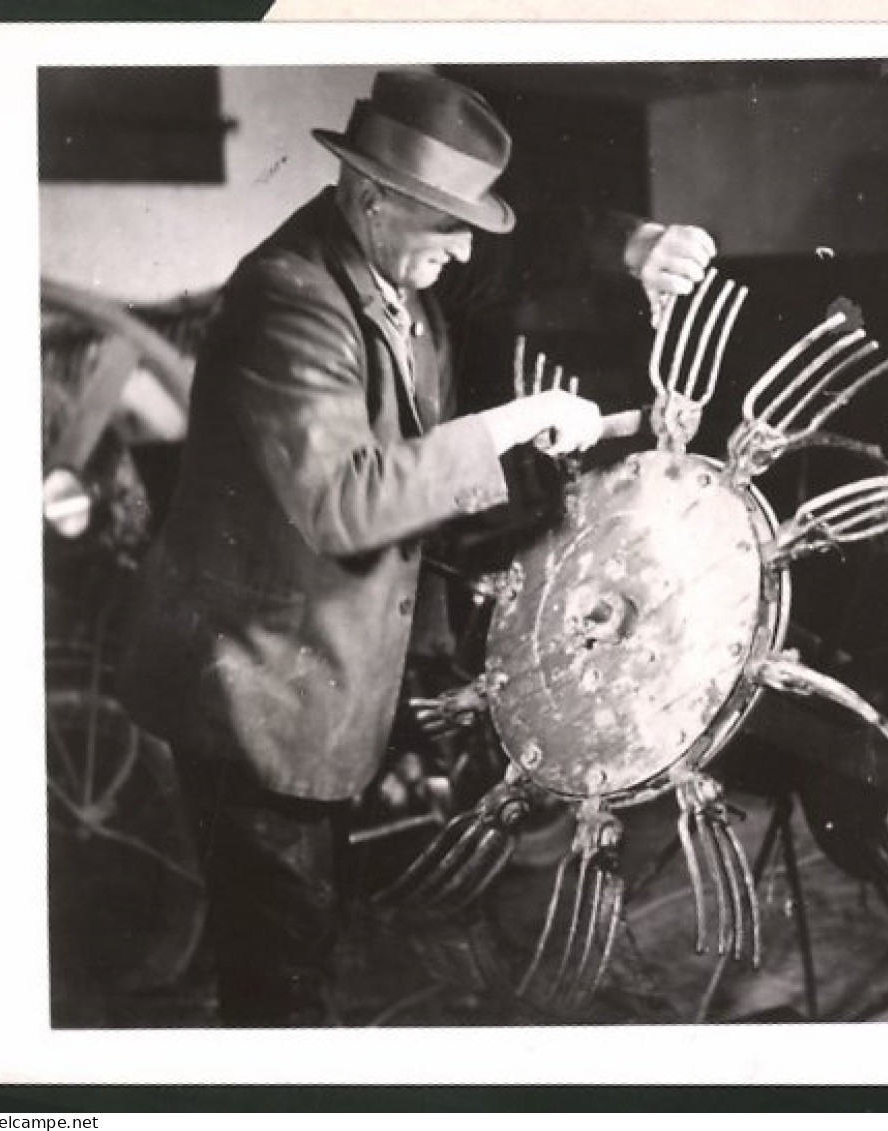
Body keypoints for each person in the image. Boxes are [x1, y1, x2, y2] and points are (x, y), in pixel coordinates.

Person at [118, 69, 716, 1026]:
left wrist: (639, 245)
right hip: (256, 686)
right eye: (447, 226)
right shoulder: (290, 301)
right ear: (370, 196)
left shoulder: (394, 248)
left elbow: (536, 245)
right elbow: (343, 502)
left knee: (311, 925)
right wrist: (509, 424)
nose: (463, 250)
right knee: (280, 964)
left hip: (325, 657)